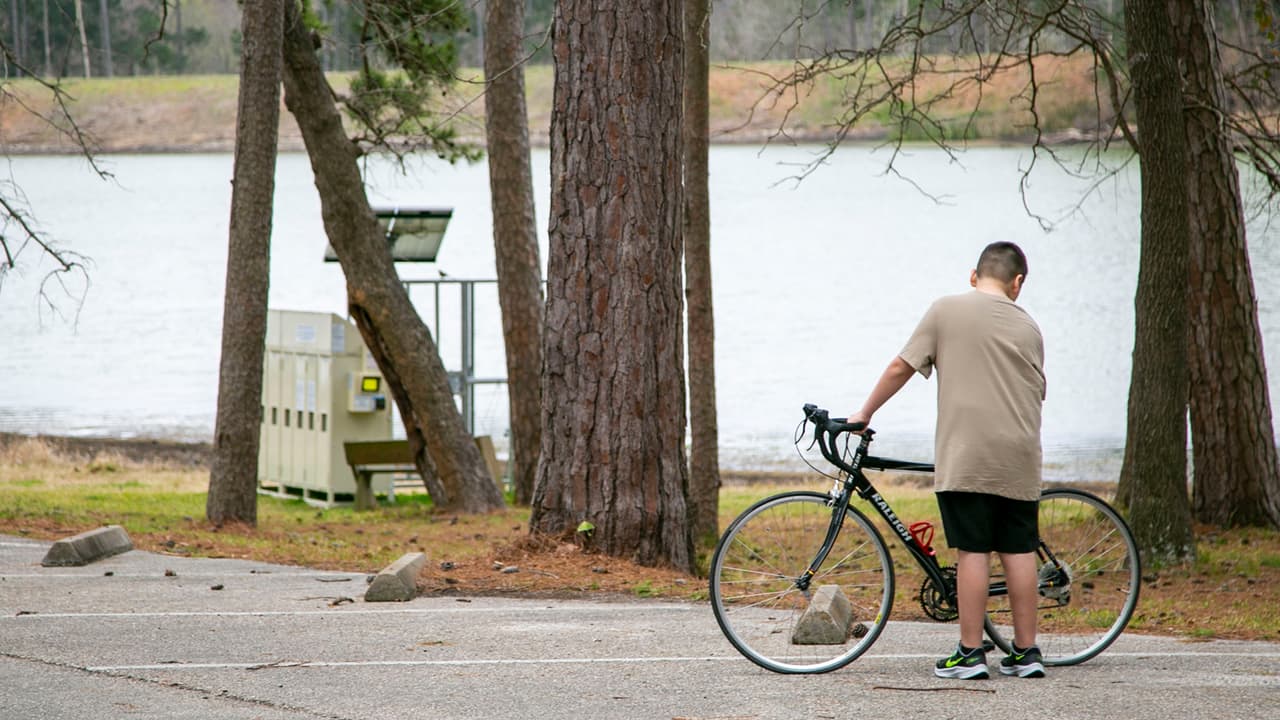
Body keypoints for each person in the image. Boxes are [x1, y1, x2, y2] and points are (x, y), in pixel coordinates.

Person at [848, 241, 1046, 680]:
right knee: (1018, 550)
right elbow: (1038, 390)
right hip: (1020, 452)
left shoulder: (946, 310)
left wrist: (865, 413)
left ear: (973, 276)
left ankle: (970, 653)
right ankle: (1026, 653)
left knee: (973, 550)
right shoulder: (1029, 326)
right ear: (1017, 283)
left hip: (967, 453)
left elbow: (901, 367)